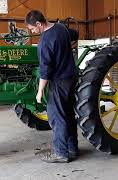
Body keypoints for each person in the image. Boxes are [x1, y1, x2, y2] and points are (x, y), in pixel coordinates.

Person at [25, 10, 79, 163]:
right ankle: (72, 148)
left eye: (32, 29)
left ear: (38, 24)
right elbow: (74, 34)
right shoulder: (61, 28)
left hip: (59, 81)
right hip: (70, 77)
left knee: (56, 117)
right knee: (68, 114)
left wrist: (40, 91)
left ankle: (61, 153)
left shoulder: (45, 42)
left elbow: (45, 71)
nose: (33, 32)